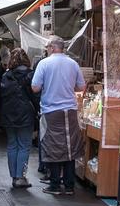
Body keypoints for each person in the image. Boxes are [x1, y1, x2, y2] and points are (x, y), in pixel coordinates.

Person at [31, 36, 85, 196]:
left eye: (47, 47)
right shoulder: (73, 64)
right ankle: (69, 185)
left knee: (52, 145)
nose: (46, 49)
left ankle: (55, 184)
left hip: (50, 110)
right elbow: (81, 86)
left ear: (53, 47)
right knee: (70, 146)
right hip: (70, 110)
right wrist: (68, 86)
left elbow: (35, 87)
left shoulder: (44, 63)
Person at [0, 48, 39, 188]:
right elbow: (35, 96)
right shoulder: (30, 75)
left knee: (12, 145)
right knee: (24, 146)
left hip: (8, 114)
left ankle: (14, 176)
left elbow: (1, 96)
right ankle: (21, 177)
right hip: (25, 114)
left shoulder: (5, 75)